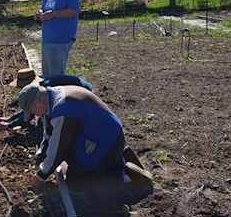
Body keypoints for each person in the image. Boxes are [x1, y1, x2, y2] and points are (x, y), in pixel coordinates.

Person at [17, 82, 153, 191]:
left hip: (108, 141)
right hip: (97, 135)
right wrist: (39, 160)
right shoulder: (52, 97)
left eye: (33, 111)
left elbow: (58, 148)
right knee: (72, 168)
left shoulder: (63, 109)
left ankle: (128, 177)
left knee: (78, 183)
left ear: (38, 103)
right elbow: (49, 134)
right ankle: (119, 160)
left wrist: (40, 177)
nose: (35, 115)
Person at [0, 68, 94, 130]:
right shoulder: (40, 88)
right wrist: (10, 118)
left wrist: (9, 125)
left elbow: (30, 113)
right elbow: (28, 108)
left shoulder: (44, 91)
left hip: (85, 95)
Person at [34, 0, 80, 77]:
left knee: (56, 75)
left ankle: (58, 94)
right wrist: (39, 14)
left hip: (60, 40)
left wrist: (54, 14)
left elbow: (74, 10)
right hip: (46, 40)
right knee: (47, 74)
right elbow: (44, 11)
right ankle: (49, 94)